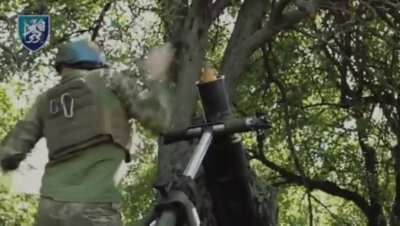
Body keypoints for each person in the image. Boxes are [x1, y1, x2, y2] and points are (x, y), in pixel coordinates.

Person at [0, 39, 174, 226]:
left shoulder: (44, 101)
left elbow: (9, 153)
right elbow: (160, 121)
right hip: (93, 207)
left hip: (49, 211)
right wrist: (158, 78)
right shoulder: (109, 80)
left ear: (62, 65)